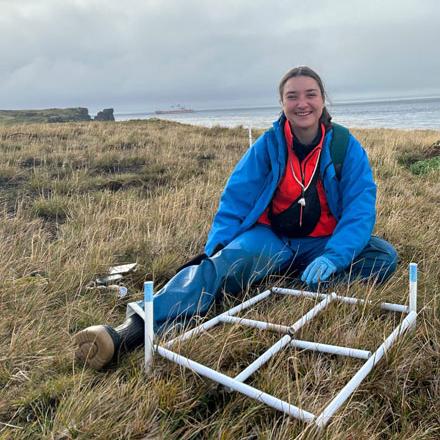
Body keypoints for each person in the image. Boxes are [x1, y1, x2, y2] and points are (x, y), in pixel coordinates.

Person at [74, 66, 398, 369]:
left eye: (310, 94)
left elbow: (360, 209)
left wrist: (334, 256)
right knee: (218, 266)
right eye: (292, 96)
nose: (302, 103)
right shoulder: (268, 145)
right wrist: (218, 250)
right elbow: (235, 201)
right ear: (282, 102)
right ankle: (131, 330)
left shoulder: (345, 145)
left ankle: (294, 285)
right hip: (274, 240)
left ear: (323, 99)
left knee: (383, 256)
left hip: (322, 244)